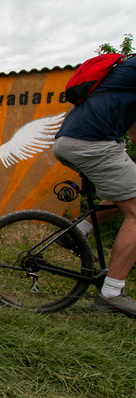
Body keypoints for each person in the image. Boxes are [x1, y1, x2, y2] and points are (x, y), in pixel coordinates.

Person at [53, 54, 136, 318]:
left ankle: (77, 231)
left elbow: (134, 130)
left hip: (76, 140)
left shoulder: (125, 78)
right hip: (92, 143)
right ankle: (111, 293)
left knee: (127, 193)